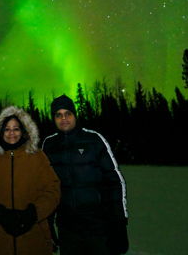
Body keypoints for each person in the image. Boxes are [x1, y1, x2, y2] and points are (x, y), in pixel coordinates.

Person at [41, 94, 129, 254]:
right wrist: (47, 222)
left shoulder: (94, 140)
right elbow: (46, 187)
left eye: (68, 113)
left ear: (75, 115)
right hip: (67, 229)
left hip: (98, 226)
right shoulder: (49, 145)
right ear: (54, 119)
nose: (64, 118)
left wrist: (119, 222)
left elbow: (115, 181)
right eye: (58, 115)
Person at [0, 106, 61, 255]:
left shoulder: (37, 155)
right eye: (7, 129)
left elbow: (53, 190)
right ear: (0, 133)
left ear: (23, 131)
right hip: (0, 242)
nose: (11, 133)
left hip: (34, 239)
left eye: (16, 129)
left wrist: (33, 213)